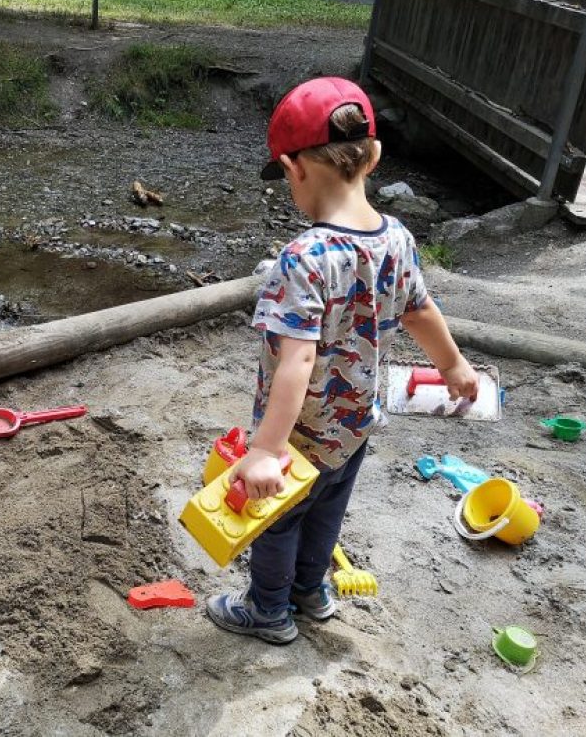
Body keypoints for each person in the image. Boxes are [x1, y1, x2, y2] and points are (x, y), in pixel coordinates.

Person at [205, 77, 479, 644]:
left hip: (300, 433)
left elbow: (297, 361)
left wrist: (266, 449)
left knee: (278, 519)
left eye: (284, 176)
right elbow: (420, 310)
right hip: (356, 422)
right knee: (326, 512)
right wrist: (453, 366)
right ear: (373, 156)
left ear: (294, 168)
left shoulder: (305, 256)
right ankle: (311, 591)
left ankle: (268, 610)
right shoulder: (397, 238)